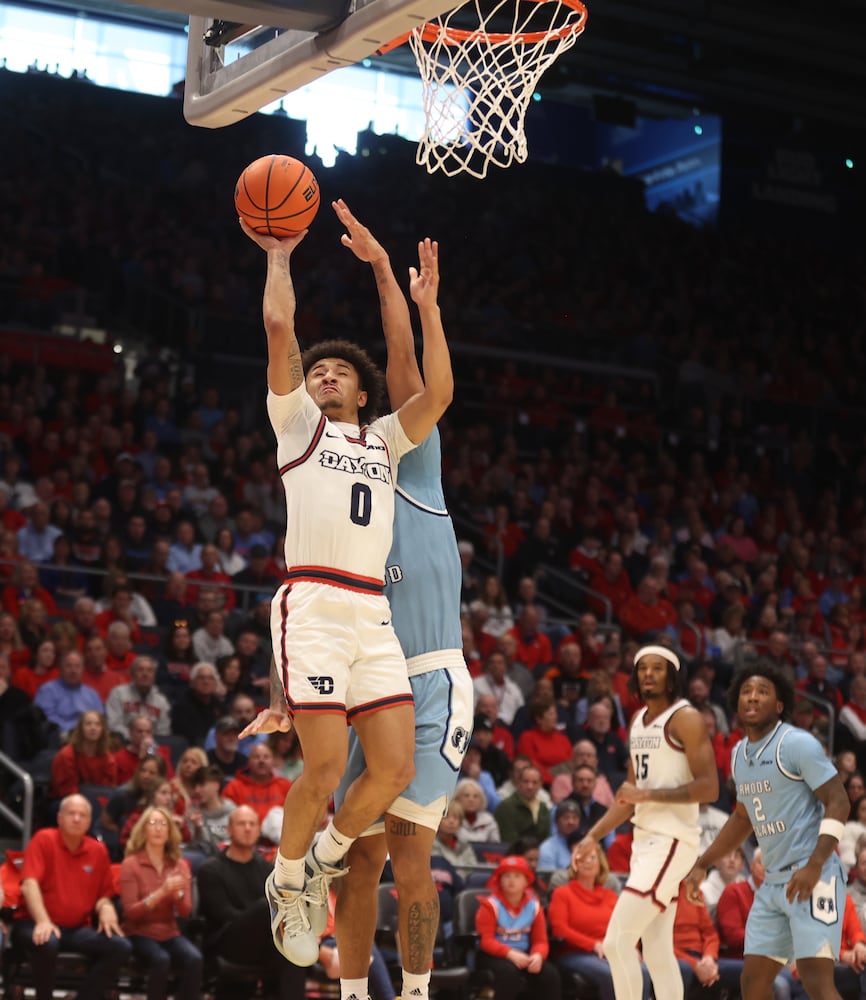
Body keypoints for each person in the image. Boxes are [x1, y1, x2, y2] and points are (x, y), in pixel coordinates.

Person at [244, 201, 472, 1000]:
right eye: (317, 371)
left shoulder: (386, 443)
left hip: (372, 614)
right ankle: (287, 877)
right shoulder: (297, 429)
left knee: (394, 768)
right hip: (312, 601)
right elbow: (280, 330)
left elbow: (437, 387)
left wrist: (424, 305)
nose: (326, 374)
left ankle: (323, 861)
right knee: (327, 766)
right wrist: (280, 252)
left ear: (362, 391)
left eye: (338, 370)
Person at [684, 660, 851, 1000]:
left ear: (779, 705)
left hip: (813, 875)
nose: (753, 697)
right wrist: (704, 862)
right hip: (773, 881)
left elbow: (839, 801)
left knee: (816, 982)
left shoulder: (797, 744)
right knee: (753, 981)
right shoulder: (737, 756)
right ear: (736, 702)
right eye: (746, 691)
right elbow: (743, 818)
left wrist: (815, 865)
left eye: (762, 692)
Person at [573, 645, 719, 1000]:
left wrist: (648, 797)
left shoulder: (686, 718)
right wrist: (592, 837)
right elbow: (629, 795)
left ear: (672, 675)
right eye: (642, 668)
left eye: (657, 668)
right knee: (655, 951)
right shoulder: (638, 721)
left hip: (671, 841)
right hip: (645, 843)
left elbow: (710, 787)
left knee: (616, 942)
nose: (648, 674)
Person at [10, 794, 132, 1000]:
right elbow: (30, 884)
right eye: (71, 814)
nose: (76, 819)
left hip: (76, 929)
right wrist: (43, 921)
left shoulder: (98, 850)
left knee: (121, 946)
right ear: (59, 818)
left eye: (82, 815)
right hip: (32, 923)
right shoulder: (44, 839)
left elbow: (103, 895)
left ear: (89, 822)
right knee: (47, 942)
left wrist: (106, 908)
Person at [197, 805, 307, 1000]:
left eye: (252, 824)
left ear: (258, 830)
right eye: (241, 824)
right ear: (229, 829)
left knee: (293, 954)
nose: (247, 828)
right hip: (228, 943)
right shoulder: (210, 869)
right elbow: (223, 915)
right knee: (268, 906)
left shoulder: (266, 869)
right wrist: (264, 920)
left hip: (266, 943)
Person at [548, 839, 650, 1000]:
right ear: (574, 863)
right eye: (582, 857)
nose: (587, 862)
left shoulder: (610, 896)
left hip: (610, 952)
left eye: (592, 857)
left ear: (600, 863)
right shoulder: (562, 893)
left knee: (642, 971)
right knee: (610, 974)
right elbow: (559, 928)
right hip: (575, 953)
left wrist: (631, 947)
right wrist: (594, 945)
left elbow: (625, 926)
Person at [119, 805, 202, 1000]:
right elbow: (130, 912)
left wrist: (178, 896)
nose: (158, 828)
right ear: (144, 829)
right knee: (161, 959)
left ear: (169, 832)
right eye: (153, 823)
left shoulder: (179, 865)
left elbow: (185, 912)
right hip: (138, 932)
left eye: (163, 824)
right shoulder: (131, 864)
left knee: (194, 959)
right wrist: (161, 892)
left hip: (169, 932)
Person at [475, 854, 562, 1000]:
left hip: (524, 954)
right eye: (506, 876)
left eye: (517, 876)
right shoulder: (489, 905)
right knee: (509, 974)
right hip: (493, 956)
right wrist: (510, 953)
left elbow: (540, 941)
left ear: (526, 881)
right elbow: (485, 941)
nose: (511, 880)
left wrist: (538, 956)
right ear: (499, 880)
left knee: (550, 974)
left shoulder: (534, 906)